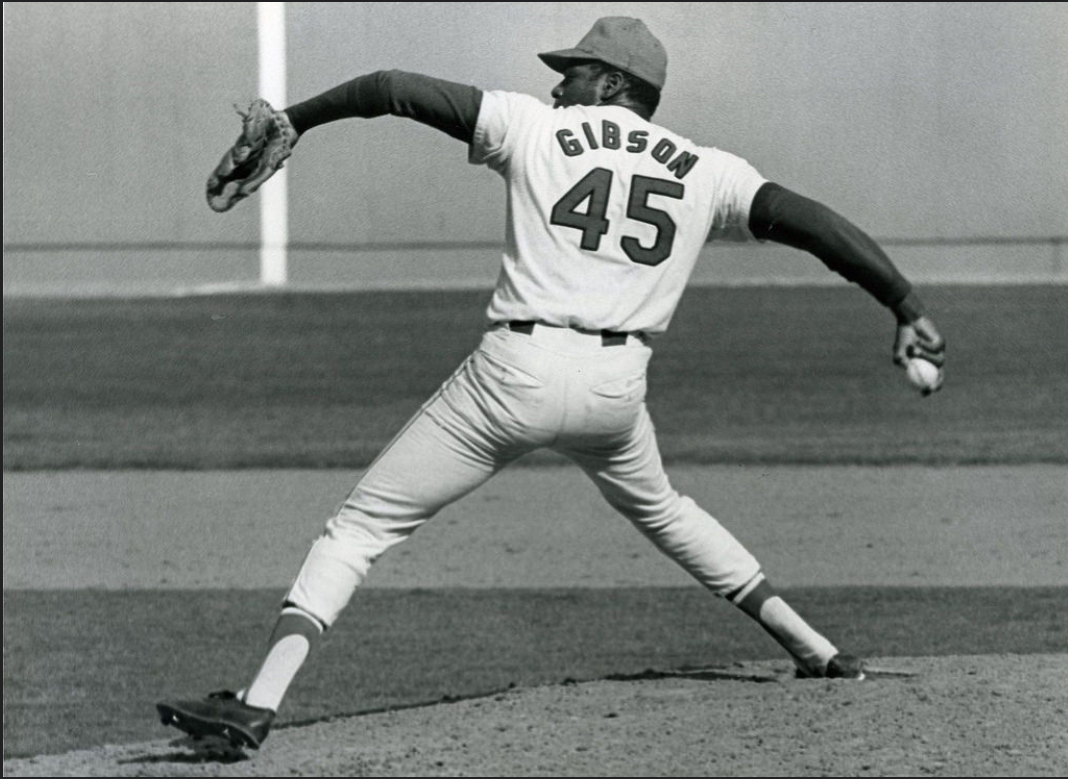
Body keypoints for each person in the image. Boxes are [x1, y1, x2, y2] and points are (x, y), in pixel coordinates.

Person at [158, 17, 946, 751]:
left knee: (358, 529)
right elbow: (816, 224)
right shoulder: (710, 170)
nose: (557, 85)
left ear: (610, 84)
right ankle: (819, 649)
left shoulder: (533, 127)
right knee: (665, 508)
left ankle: (256, 703)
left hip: (515, 375)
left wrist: (299, 116)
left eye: (573, 73)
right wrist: (905, 304)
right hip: (615, 390)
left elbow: (391, 87)